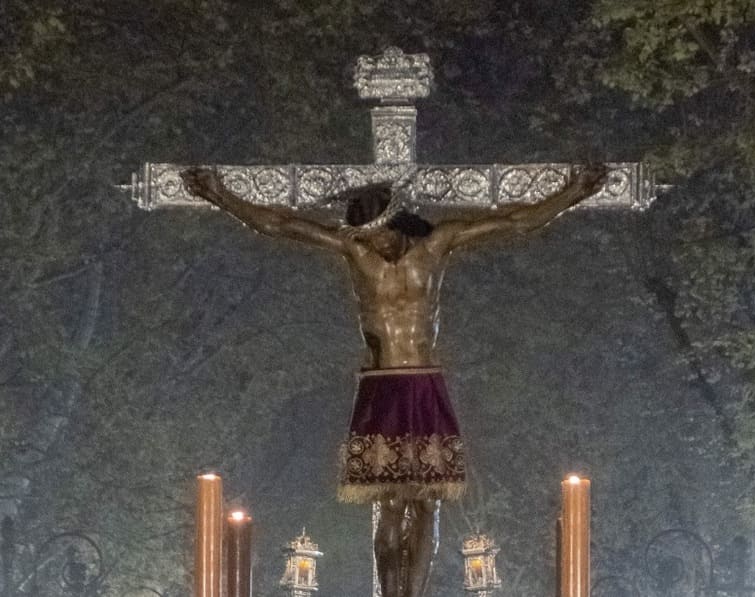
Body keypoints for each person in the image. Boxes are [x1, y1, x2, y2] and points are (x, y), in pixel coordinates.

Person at [181, 165, 607, 597]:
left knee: (426, 504)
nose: (373, 244)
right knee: (388, 504)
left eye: (378, 234)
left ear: (396, 223)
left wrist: (573, 194)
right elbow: (281, 224)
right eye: (365, 237)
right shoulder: (356, 252)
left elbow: (515, 222)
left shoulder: (436, 246)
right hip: (381, 387)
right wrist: (220, 196)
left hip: (423, 384)